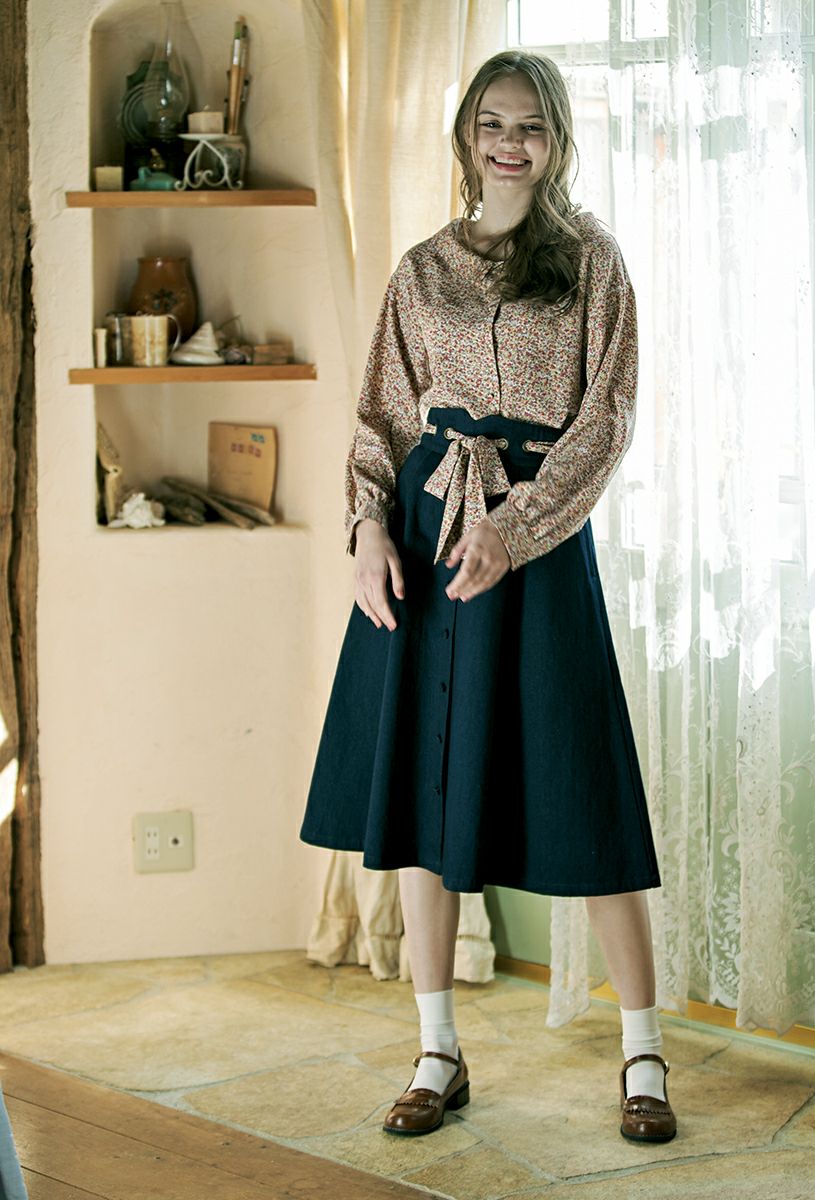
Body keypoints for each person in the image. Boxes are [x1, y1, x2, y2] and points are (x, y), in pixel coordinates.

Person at [300, 48, 676, 1145]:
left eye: (531, 125)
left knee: (585, 791)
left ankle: (644, 1055)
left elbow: (604, 425)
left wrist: (514, 531)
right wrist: (367, 530)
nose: (510, 143)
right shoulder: (421, 271)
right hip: (427, 538)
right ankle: (436, 1050)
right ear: (468, 137)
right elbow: (380, 417)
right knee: (425, 798)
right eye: (491, 124)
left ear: (556, 139)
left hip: (537, 544)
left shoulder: (594, 265)